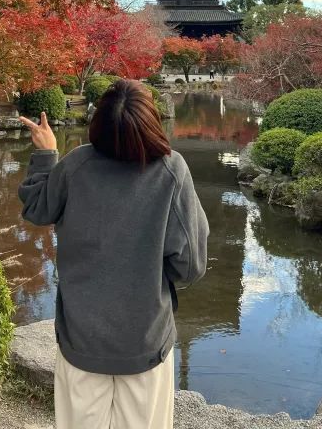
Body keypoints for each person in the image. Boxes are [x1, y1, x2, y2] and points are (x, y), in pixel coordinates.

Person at [18, 79, 209, 429]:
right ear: (151, 122)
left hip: (81, 339)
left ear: (98, 123)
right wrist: (149, 268)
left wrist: (46, 153)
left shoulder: (76, 166)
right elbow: (191, 266)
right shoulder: (171, 171)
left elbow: (37, 209)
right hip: (145, 340)